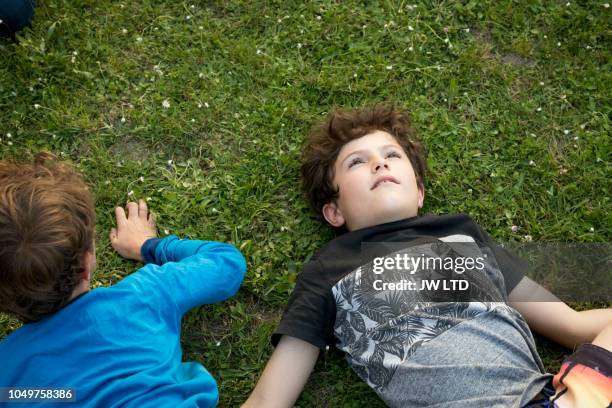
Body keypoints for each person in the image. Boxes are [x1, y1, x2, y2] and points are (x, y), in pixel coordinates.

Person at [244, 105, 612, 407]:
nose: (380, 163)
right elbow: (269, 399)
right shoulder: (329, 269)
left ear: (419, 192)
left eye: (391, 155)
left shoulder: (462, 234)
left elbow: (573, 325)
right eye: (356, 162)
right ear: (334, 212)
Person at [0, 152, 246, 407]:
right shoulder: (147, 295)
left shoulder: (7, 375)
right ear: (86, 264)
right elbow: (226, 263)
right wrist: (147, 246)